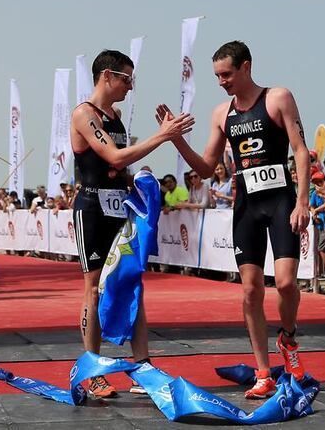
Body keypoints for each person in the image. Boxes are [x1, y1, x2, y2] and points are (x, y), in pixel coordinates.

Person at [161, 40, 310, 399]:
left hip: (280, 201)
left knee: (288, 284)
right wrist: (175, 140)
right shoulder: (221, 113)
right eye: (216, 75)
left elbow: (301, 150)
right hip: (246, 206)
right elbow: (207, 169)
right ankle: (263, 372)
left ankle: (288, 338)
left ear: (246, 67)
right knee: (250, 290)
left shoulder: (277, 98)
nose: (221, 81)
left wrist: (302, 200)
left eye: (226, 74)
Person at [70, 49, 194, 398]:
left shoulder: (116, 115)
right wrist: (163, 135)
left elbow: (122, 167)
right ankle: (92, 368)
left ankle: (143, 365)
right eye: (126, 79)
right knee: (93, 289)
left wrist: (141, 192)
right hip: (92, 208)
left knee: (132, 282)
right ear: (106, 76)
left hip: (118, 208)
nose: (130, 86)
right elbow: (113, 155)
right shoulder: (84, 114)